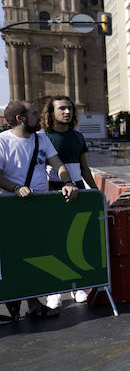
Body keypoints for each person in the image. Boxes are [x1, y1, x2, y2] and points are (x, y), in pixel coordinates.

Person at [0, 100, 80, 320]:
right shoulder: (3, 142)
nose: (39, 116)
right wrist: (16, 188)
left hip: (39, 207)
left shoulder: (41, 138)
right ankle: (22, 301)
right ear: (20, 118)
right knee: (16, 258)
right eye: (34, 113)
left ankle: (34, 303)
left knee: (37, 255)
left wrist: (68, 182)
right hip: (12, 209)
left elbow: (58, 164)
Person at [42, 96, 99, 305]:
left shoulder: (78, 136)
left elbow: (85, 168)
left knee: (77, 241)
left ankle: (78, 286)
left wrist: (96, 193)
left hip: (79, 193)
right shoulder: (42, 137)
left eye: (70, 108)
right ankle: (55, 289)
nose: (67, 112)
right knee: (54, 242)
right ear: (51, 112)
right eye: (62, 108)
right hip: (51, 193)